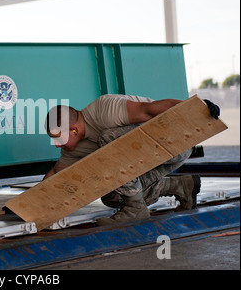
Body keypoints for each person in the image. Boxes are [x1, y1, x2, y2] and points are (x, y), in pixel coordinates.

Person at [43, 94, 220, 226]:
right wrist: (32, 205)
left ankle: (136, 210)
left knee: (107, 139)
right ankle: (182, 186)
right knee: (110, 196)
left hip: (175, 143)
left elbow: (150, 109)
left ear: (74, 130)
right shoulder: (73, 148)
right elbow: (57, 174)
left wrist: (198, 108)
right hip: (148, 160)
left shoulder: (103, 110)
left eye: (59, 138)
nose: (57, 145)